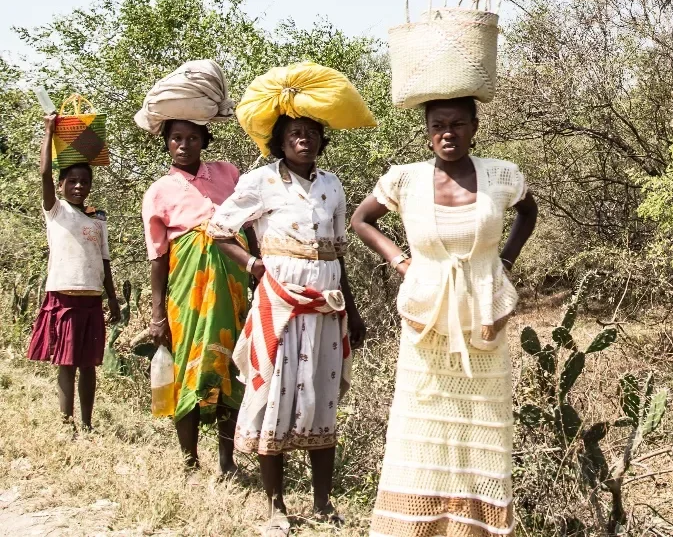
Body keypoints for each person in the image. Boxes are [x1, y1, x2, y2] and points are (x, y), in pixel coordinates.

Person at [351, 96, 538, 537]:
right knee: (423, 425)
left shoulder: (501, 175)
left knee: (481, 426)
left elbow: (528, 213)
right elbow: (361, 220)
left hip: (483, 318)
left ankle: (474, 527)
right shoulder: (405, 179)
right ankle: (417, 527)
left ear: (474, 127)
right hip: (427, 320)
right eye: (438, 125)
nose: (448, 133)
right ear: (428, 131)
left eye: (457, 124)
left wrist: (505, 261)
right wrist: (400, 261)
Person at [208, 114, 366, 536]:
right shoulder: (261, 181)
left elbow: (337, 253)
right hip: (279, 306)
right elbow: (219, 229)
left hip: (325, 309)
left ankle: (323, 503)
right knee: (272, 399)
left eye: (312, 133)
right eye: (295, 134)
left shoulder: (332, 185)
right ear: (280, 141)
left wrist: (352, 310)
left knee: (322, 400)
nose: (304, 140)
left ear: (321, 140)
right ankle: (275, 506)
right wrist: (253, 265)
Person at [142, 119, 253, 474]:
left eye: (192, 137)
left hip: (233, 287)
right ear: (166, 142)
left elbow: (249, 226)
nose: (184, 145)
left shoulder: (227, 173)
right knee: (187, 364)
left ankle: (227, 461)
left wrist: (259, 271)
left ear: (204, 140)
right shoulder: (159, 191)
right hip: (188, 292)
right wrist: (157, 314)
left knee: (232, 364)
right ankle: (189, 460)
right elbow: (158, 257)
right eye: (176, 138)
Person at [27, 114, 120, 432]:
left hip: (92, 297)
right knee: (66, 362)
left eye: (85, 182)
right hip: (64, 294)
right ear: (61, 185)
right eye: (72, 181)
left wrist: (113, 298)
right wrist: (49, 131)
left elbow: (104, 260)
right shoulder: (56, 210)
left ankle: (88, 424)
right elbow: (44, 173)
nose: (79, 186)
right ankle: (67, 424)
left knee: (89, 364)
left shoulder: (98, 217)